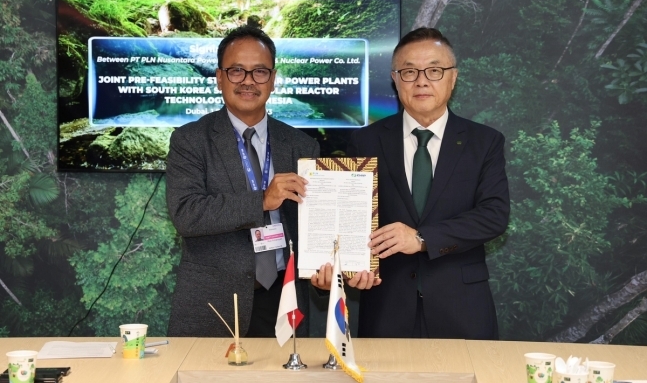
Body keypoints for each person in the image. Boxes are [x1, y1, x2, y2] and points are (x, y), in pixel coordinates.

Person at [344, 27, 510, 339]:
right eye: (409, 71)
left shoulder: (484, 142)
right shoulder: (365, 141)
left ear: (453, 77)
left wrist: (421, 238)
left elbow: (494, 216)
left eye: (434, 70)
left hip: (462, 309)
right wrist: (349, 264)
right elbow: (353, 218)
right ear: (395, 78)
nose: (421, 81)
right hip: (386, 307)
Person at [166, 25, 320, 337]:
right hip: (214, 304)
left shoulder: (302, 146)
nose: (248, 81)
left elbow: (313, 224)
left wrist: (330, 264)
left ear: (273, 79)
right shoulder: (190, 140)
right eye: (237, 70)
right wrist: (263, 199)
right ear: (219, 77)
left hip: (284, 298)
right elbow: (187, 214)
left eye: (259, 71)